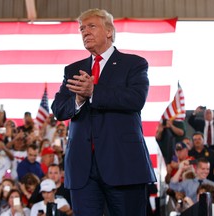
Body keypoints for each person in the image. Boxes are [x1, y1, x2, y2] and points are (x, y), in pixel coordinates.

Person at [51, 8, 156, 215]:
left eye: (91, 26)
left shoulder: (134, 64)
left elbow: (135, 99)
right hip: (83, 169)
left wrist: (93, 92)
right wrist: (79, 98)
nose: (85, 32)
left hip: (123, 164)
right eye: (82, 28)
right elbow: (59, 110)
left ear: (109, 31)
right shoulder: (73, 70)